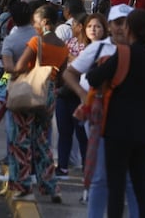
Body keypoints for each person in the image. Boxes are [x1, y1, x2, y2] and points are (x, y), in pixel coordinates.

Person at [86, 10, 145, 218]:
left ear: (129, 29)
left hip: (117, 130)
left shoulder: (123, 53)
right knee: (142, 187)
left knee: (116, 186)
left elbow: (93, 78)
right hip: (144, 131)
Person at [7, 4, 67, 203]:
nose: (34, 25)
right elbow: (63, 76)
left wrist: (10, 71)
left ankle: (24, 186)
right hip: (49, 93)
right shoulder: (62, 46)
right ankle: (52, 187)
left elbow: (19, 67)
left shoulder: (36, 42)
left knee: (21, 140)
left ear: (45, 22)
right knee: (42, 142)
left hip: (30, 91)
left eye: (36, 22)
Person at [55, 12, 91, 179]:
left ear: (81, 27)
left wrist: (68, 55)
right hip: (65, 92)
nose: (72, 27)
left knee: (82, 133)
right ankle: (62, 166)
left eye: (75, 24)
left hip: (81, 94)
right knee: (64, 131)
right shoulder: (70, 42)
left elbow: (83, 64)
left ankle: (86, 167)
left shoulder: (91, 48)